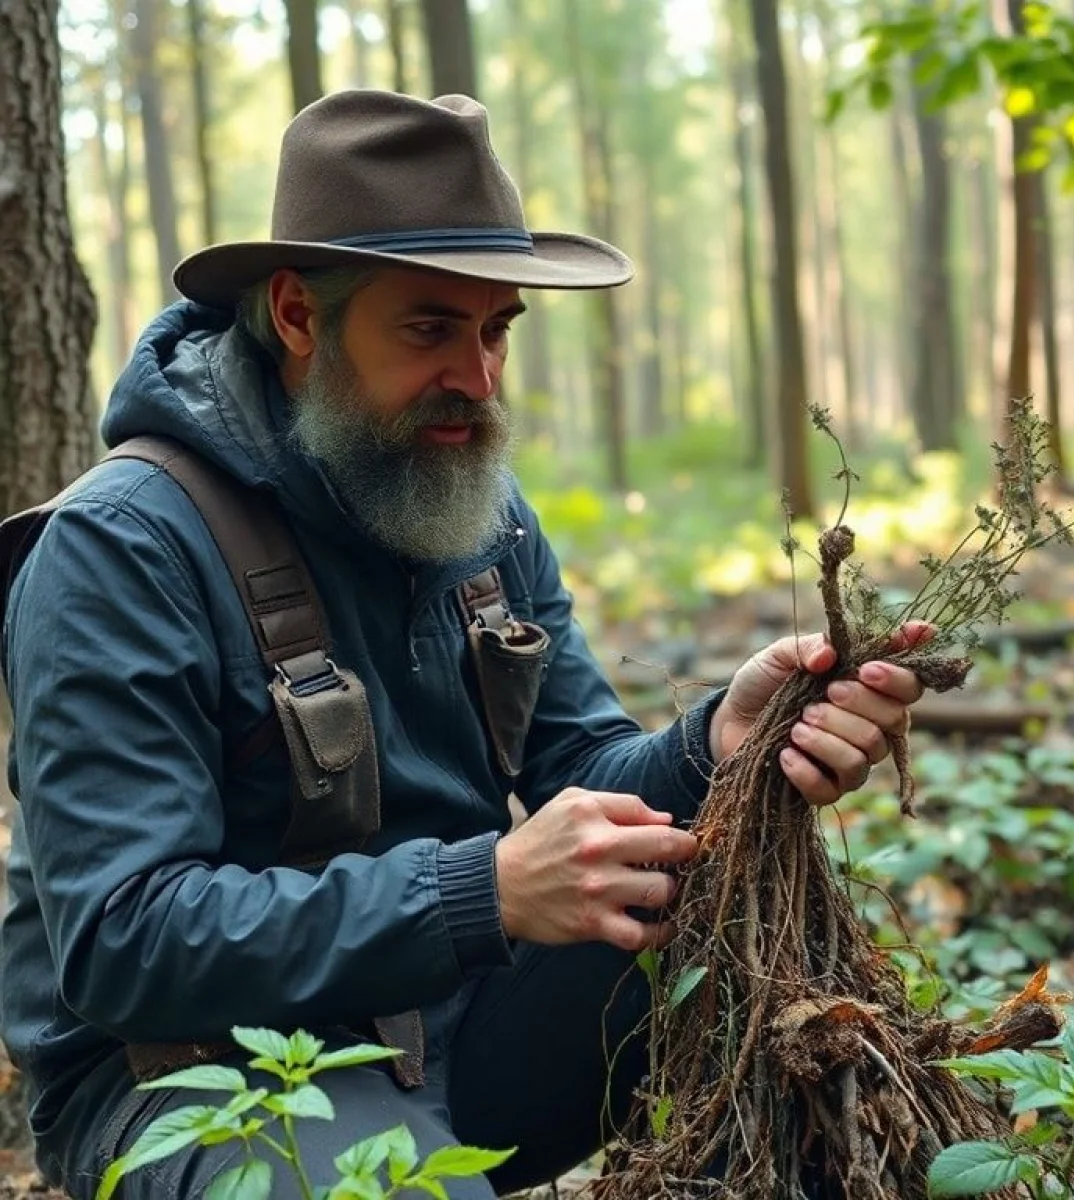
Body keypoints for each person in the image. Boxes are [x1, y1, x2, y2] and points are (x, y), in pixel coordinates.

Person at [0, 91, 926, 1199]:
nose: (479, 381)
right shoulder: (125, 547)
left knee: (769, 978)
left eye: (497, 329)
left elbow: (578, 768)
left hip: (450, 1022)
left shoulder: (470, 501)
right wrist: (477, 891)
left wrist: (708, 749)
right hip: (191, 1074)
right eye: (430, 327)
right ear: (298, 314)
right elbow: (119, 942)